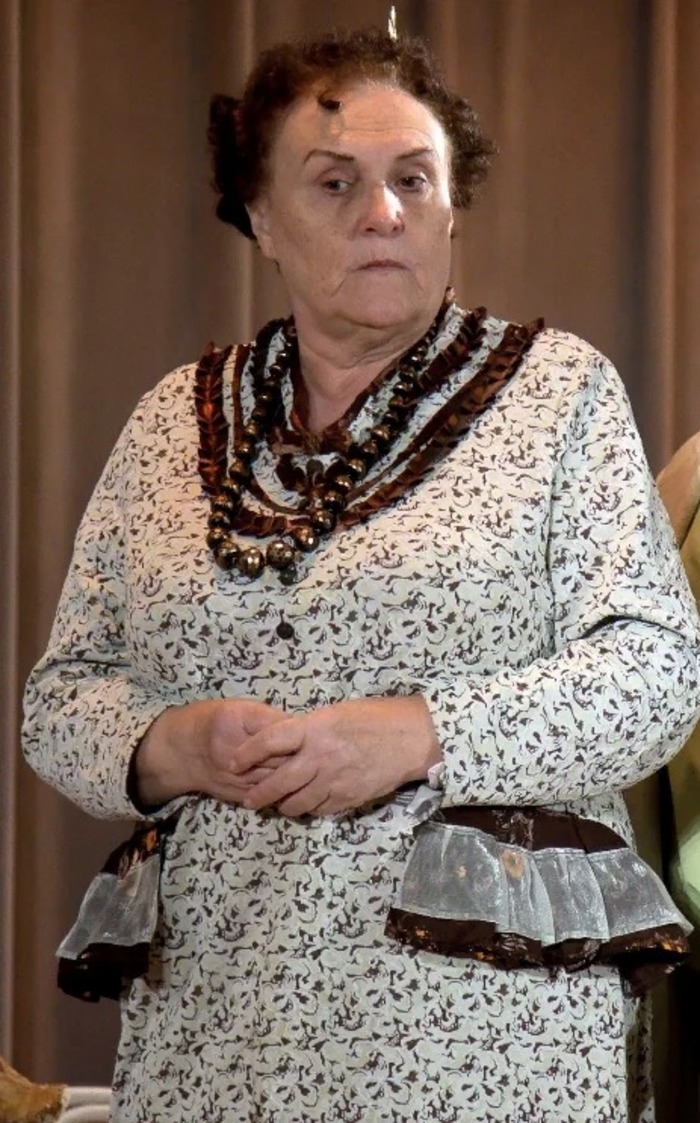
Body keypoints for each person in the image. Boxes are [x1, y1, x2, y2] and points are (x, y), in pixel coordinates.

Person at [22, 25, 700, 1123]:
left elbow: (654, 672)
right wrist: (171, 744)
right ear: (260, 216)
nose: (383, 213)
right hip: (214, 1022)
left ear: (450, 207)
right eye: (335, 183)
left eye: (413, 180)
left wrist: (418, 733)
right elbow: (61, 698)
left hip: (483, 1033)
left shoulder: (557, 396)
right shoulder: (169, 423)